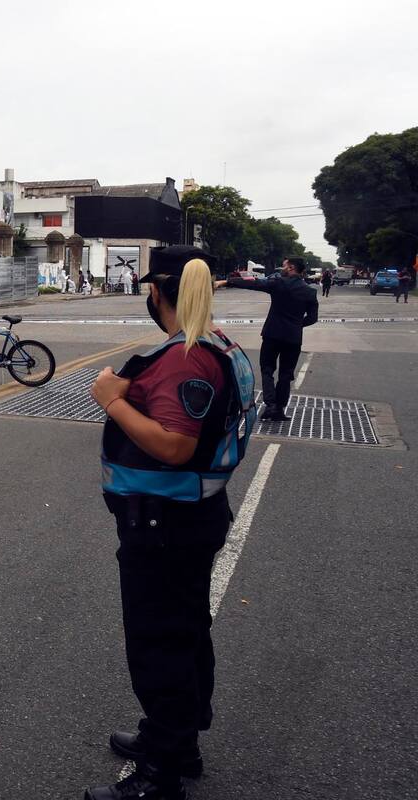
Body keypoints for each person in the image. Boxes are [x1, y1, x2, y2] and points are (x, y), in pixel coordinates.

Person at [85, 245, 256, 800]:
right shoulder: (217, 343)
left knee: (160, 643)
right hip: (184, 519)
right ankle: (174, 740)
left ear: (158, 292)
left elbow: (175, 446)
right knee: (183, 632)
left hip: (165, 526)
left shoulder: (187, 356)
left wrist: (112, 400)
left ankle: (161, 776)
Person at [217, 256, 318, 421]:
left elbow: (254, 284)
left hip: (272, 335)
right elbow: (313, 318)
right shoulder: (309, 291)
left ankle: (270, 404)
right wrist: (296, 325)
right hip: (293, 338)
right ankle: (279, 409)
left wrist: (228, 281)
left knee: (267, 370)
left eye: (284, 266)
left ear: (291, 268)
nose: (282, 268)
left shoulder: (279, 283)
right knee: (286, 374)